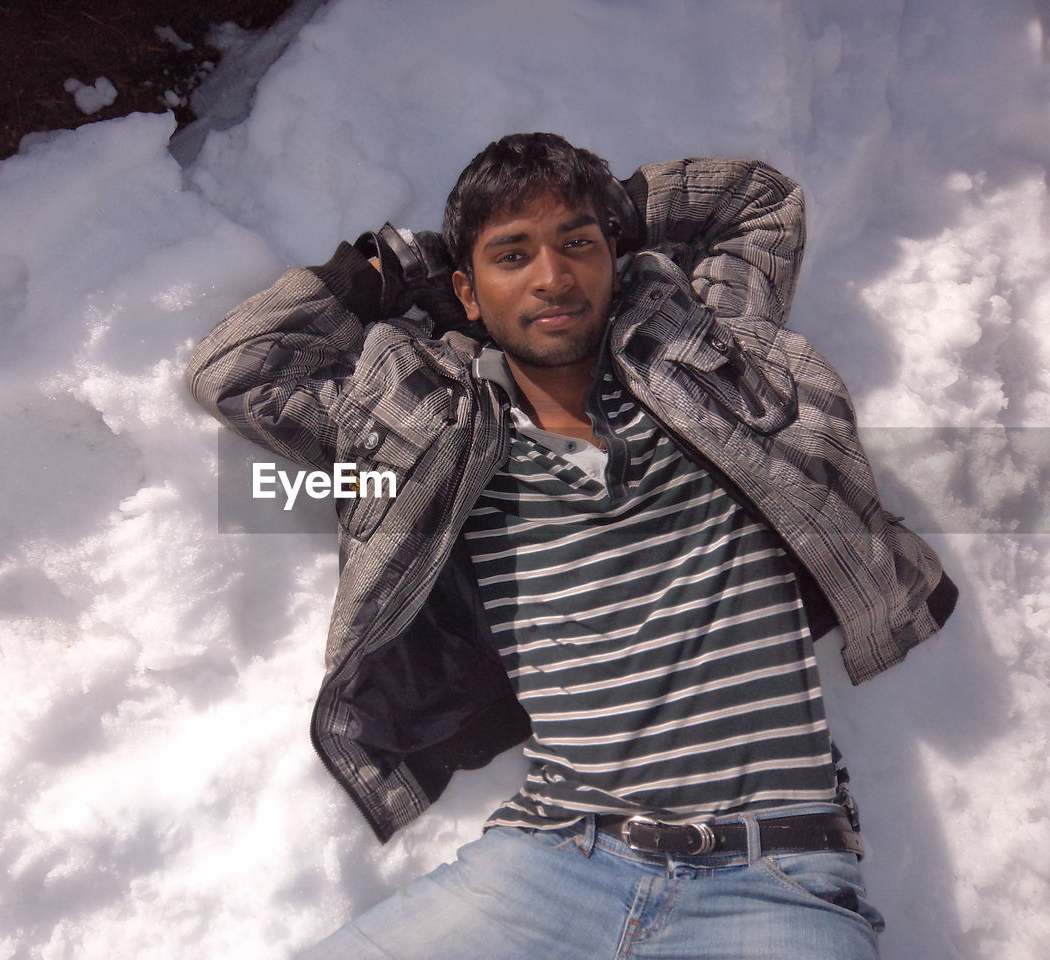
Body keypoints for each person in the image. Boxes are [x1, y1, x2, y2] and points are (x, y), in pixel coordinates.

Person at [186, 133, 958, 959]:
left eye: (577, 245)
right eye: (511, 255)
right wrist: (386, 272)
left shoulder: (711, 363)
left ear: (614, 260)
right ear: (467, 292)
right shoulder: (424, 445)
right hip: (549, 862)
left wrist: (617, 206)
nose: (552, 277)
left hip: (773, 880)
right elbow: (236, 372)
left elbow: (758, 202)